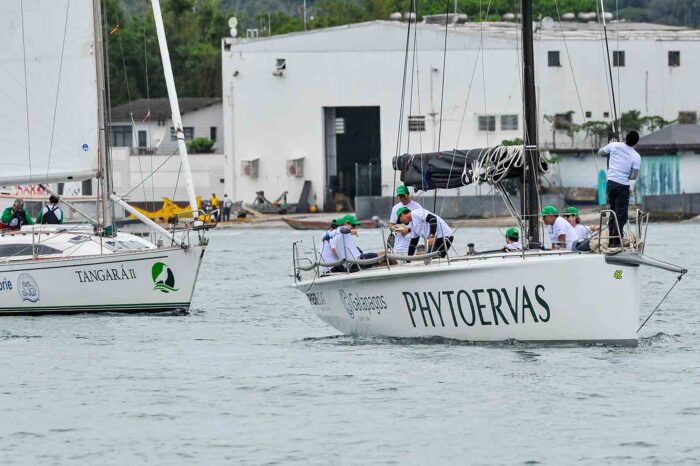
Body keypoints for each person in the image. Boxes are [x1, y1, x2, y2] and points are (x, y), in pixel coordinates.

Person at [599, 131, 641, 247]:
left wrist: (611, 152)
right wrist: (626, 175)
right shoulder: (636, 156)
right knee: (621, 215)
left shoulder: (614, 145)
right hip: (622, 186)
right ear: (636, 143)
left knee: (613, 211)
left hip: (611, 184)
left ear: (625, 138)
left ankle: (611, 239)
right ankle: (617, 241)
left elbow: (600, 152)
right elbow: (633, 176)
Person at [389, 185, 423, 254]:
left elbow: (422, 226)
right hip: (399, 246)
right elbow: (391, 225)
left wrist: (408, 230)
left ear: (408, 194)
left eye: (403, 196)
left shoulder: (417, 207)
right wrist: (398, 228)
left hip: (415, 245)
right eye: (399, 196)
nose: (402, 198)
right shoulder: (395, 208)